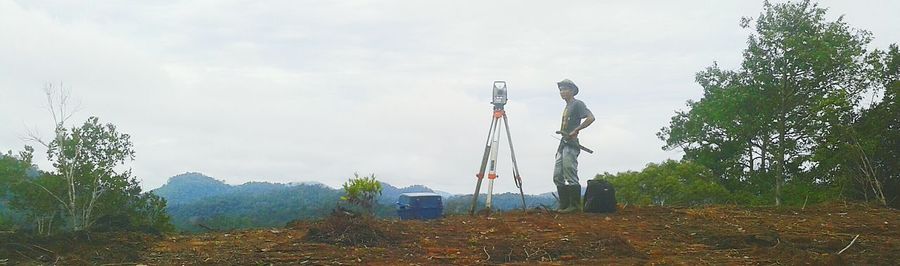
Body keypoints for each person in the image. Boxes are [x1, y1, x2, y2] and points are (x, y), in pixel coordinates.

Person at [554, 79, 595, 213]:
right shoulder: (567, 106)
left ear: (572, 91)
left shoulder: (577, 104)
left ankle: (575, 206)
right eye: (560, 89)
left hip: (571, 144)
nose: (562, 92)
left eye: (565, 89)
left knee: (570, 173)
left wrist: (576, 130)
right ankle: (564, 205)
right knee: (557, 175)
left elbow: (591, 118)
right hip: (563, 143)